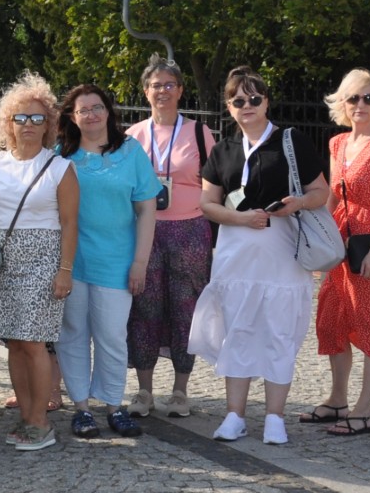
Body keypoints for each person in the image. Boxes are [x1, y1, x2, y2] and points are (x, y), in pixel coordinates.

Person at [197, 67, 331, 444]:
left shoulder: (291, 142)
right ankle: (235, 416)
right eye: (239, 100)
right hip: (236, 256)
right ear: (229, 106)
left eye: (255, 98)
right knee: (237, 333)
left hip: (282, 255)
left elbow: (322, 192)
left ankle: (275, 417)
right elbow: (207, 203)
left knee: (278, 332)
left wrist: (298, 203)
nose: (248, 106)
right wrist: (239, 217)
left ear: (267, 101)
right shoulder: (223, 150)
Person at [0, 75, 78, 451]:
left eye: (37, 119)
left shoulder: (59, 168)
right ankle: (26, 415)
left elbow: (70, 223)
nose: (29, 125)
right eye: (21, 118)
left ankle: (40, 421)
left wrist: (64, 270)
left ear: (49, 124)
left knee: (34, 342)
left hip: (44, 257)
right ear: (8, 123)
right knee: (14, 343)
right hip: (7, 259)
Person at [305, 69, 370, 437]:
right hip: (339, 242)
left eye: (369, 98)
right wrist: (320, 239)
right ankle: (337, 400)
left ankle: (363, 411)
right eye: (353, 98)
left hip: (368, 243)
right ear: (343, 103)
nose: (360, 105)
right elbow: (332, 196)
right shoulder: (337, 144)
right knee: (333, 319)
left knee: (368, 323)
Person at [56, 83, 159, 440]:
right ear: (72, 116)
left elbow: (146, 209)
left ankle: (114, 405)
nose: (92, 115)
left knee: (113, 336)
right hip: (72, 261)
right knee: (73, 334)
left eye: (97, 107)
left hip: (117, 260)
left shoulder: (131, 152)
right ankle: (81, 408)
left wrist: (140, 262)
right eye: (83, 110)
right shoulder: (60, 155)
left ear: (108, 111)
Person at [125, 57, 217, 418]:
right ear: (145, 91)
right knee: (143, 308)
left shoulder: (199, 132)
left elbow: (215, 184)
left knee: (185, 310)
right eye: (155, 85)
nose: (162, 91)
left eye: (169, 85)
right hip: (145, 231)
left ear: (180, 90)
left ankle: (180, 391)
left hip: (190, 230)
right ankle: (144, 391)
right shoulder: (133, 136)